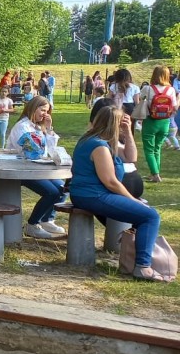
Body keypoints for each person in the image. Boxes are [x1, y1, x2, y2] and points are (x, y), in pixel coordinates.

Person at [71, 107, 167, 282]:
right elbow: (110, 181)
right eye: (120, 123)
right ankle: (143, 267)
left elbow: (131, 157)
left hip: (90, 194)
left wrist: (128, 133)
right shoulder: (99, 146)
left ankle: (135, 261)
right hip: (93, 195)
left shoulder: (101, 141)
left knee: (144, 215)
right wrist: (133, 200)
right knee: (150, 216)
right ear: (113, 125)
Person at [8, 97, 66, 239]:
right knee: (51, 192)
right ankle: (32, 225)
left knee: (64, 189)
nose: (44, 114)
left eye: (47, 111)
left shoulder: (39, 127)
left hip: (39, 168)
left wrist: (49, 129)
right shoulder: (22, 127)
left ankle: (47, 220)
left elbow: (51, 150)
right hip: (22, 169)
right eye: (42, 110)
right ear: (33, 108)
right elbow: (32, 152)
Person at [139, 65, 177, 183]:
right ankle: (154, 173)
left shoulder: (148, 89)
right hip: (165, 122)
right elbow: (174, 107)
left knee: (149, 149)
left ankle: (155, 175)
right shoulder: (171, 90)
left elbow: (140, 100)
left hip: (150, 121)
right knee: (157, 148)